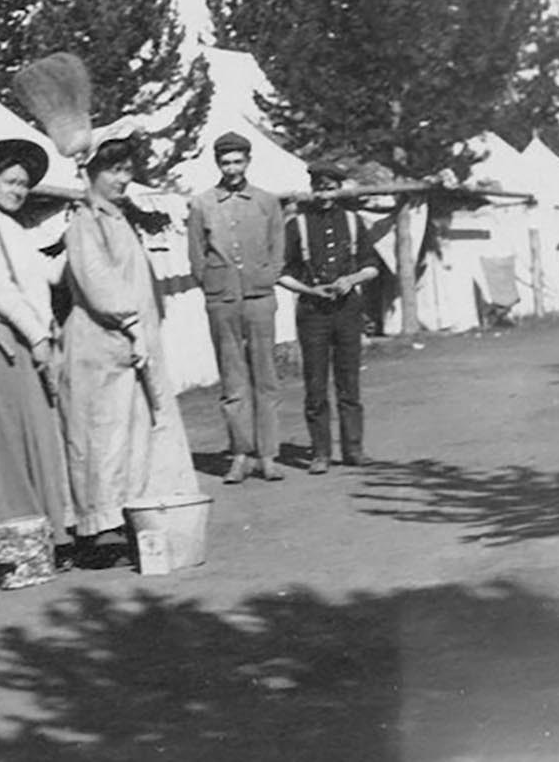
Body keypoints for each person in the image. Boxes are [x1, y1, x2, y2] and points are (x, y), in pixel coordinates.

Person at [60, 125, 199, 545]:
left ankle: (124, 517)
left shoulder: (118, 218)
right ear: (92, 173)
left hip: (126, 345)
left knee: (131, 438)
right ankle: (97, 525)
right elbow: (98, 281)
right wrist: (133, 325)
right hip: (100, 345)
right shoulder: (85, 221)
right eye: (114, 170)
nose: (122, 178)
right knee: (102, 438)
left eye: (127, 169)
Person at [0, 138, 72, 550]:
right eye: (10, 182)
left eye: (23, 184)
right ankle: (13, 537)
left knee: (33, 436)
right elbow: (1, 291)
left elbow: (51, 275)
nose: (18, 191)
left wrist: (80, 233)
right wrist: (38, 335)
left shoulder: (14, 229)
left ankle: (39, 534)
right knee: (7, 444)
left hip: (23, 345)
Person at [187, 130, 286, 484]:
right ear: (218, 164)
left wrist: (267, 277)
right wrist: (213, 285)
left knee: (265, 378)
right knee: (233, 380)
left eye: (237, 161)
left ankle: (268, 455)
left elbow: (278, 248)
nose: (231, 168)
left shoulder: (266, 201)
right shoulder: (202, 204)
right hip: (222, 300)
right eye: (225, 162)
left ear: (248, 161)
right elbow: (197, 255)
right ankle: (240, 455)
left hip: (260, 299)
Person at [277, 161, 380, 473]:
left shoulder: (353, 222)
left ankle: (353, 449)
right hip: (313, 313)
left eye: (330, 188)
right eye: (319, 188)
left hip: (348, 310)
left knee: (349, 381)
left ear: (339, 189)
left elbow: (372, 265)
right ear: (312, 190)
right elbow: (280, 273)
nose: (324, 194)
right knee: (316, 384)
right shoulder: (297, 225)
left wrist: (352, 280)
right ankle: (320, 452)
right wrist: (309, 290)